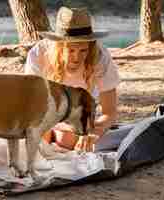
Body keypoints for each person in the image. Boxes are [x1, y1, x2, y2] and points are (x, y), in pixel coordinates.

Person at [24, 6, 120, 152]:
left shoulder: (100, 56)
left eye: (83, 50)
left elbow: (110, 112)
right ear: (59, 46)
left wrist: (93, 133)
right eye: (71, 50)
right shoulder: (38, 55)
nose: (77, 58)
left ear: (90, 45)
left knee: (69, 142)